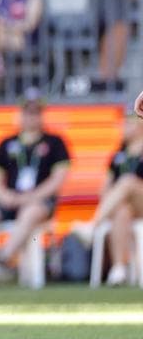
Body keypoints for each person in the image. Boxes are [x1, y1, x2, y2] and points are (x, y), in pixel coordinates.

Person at [0, 96, 70, 283]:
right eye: (27, 113)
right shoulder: (7, 143)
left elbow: (57, 180)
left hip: (39, 201)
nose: (31, 117)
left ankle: (3, 260)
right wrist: (5, 196)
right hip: (10, 199)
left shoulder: (55, 142)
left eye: (35, 113)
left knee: (31, 212)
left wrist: (31, 197)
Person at [72, 111, 143, 286]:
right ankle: (119, 268)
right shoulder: (119, 155)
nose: (123, 127)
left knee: (127, 181)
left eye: (128, 123)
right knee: (122, 211)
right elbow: (106, 187)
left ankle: (92, 225)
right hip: (129, 207)